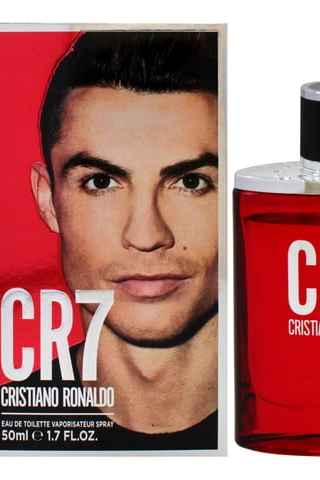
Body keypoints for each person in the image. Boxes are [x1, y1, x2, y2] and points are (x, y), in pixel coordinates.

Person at [28, 30, 219, 450]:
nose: (146, 236)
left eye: (191, 182)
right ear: (48, 200)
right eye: (100, 182)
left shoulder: (299, 427)